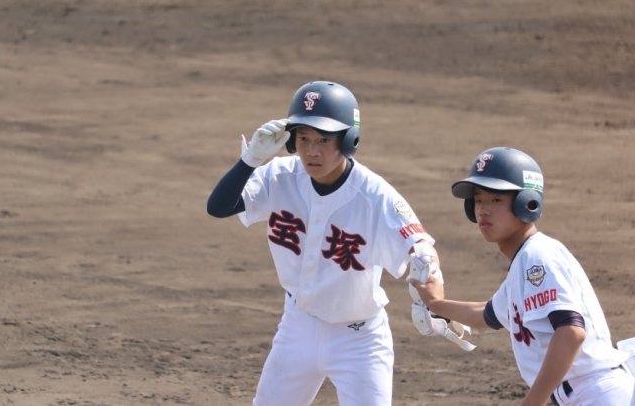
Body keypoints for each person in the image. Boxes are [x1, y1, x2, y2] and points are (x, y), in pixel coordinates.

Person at [206, 81, 468, 405]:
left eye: (324, 139)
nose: (312, 151)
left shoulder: (375, 196)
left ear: (348, 140)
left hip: (359, 341)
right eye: (303, 138)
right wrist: (250, 159)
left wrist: (433, 288)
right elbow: (219, 207)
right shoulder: (279, 176)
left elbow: (423, 251)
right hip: (296, 328)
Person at [408, 147, 635, 406]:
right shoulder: (523, 263)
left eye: (495, 200)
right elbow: (487, 313)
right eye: (478, 200)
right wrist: (437, 304)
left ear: (527, 203)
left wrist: (531, 403)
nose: (483, 210)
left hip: (598, 394)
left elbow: (571, 332)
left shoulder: (538, 255)